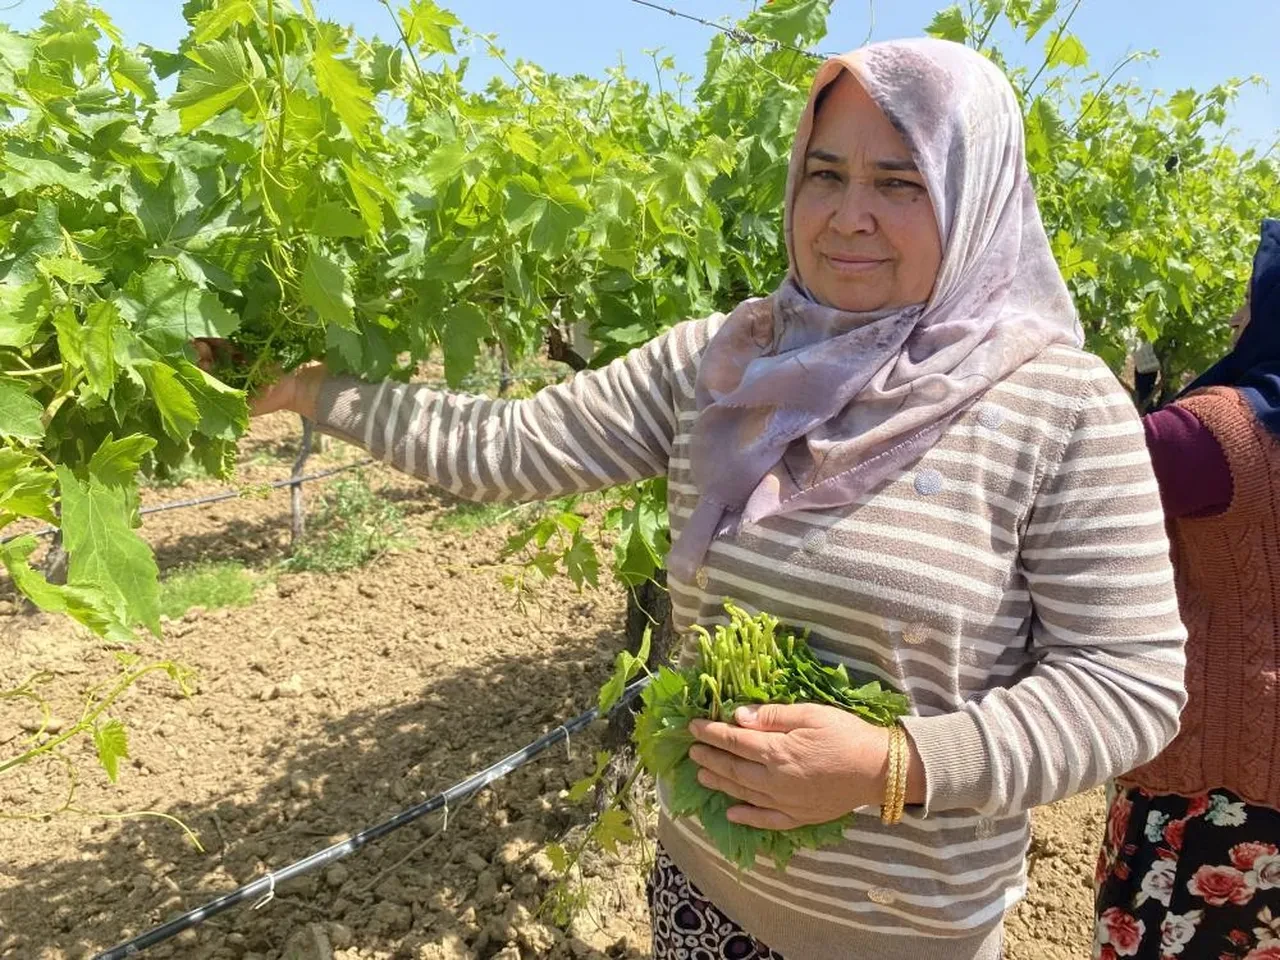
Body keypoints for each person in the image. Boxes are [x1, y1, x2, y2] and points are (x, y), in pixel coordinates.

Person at [239, 39, 1188, 960]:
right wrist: (307, 390)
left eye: (902, 182)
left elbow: (1128, 686)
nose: (848, 215)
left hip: (903, 937)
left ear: (975, 194)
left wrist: (889, 767)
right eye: (824, 174)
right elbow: (508, 445)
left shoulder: (1059, 406)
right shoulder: (721, 361)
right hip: (706, 895)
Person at [1094, 220, 1280, 960]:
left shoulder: (1214, 435)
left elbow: (1077, 476)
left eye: (1250, 295)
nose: (1238, 317)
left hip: (1211, 794)